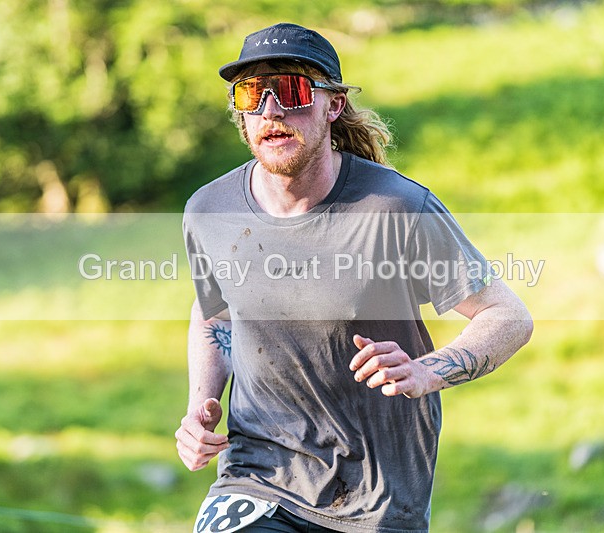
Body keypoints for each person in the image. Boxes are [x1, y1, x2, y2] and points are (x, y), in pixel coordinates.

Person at [176, 22, 533, 533]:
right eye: (252, 94)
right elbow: (214, 312)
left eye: (293, 91)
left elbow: (509, 316)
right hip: (257, 475)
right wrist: (198, 409)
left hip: (376, 497)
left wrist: (427, 371)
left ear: (333, 105)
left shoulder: (395, 208)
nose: (270, 111)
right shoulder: (209, 210)